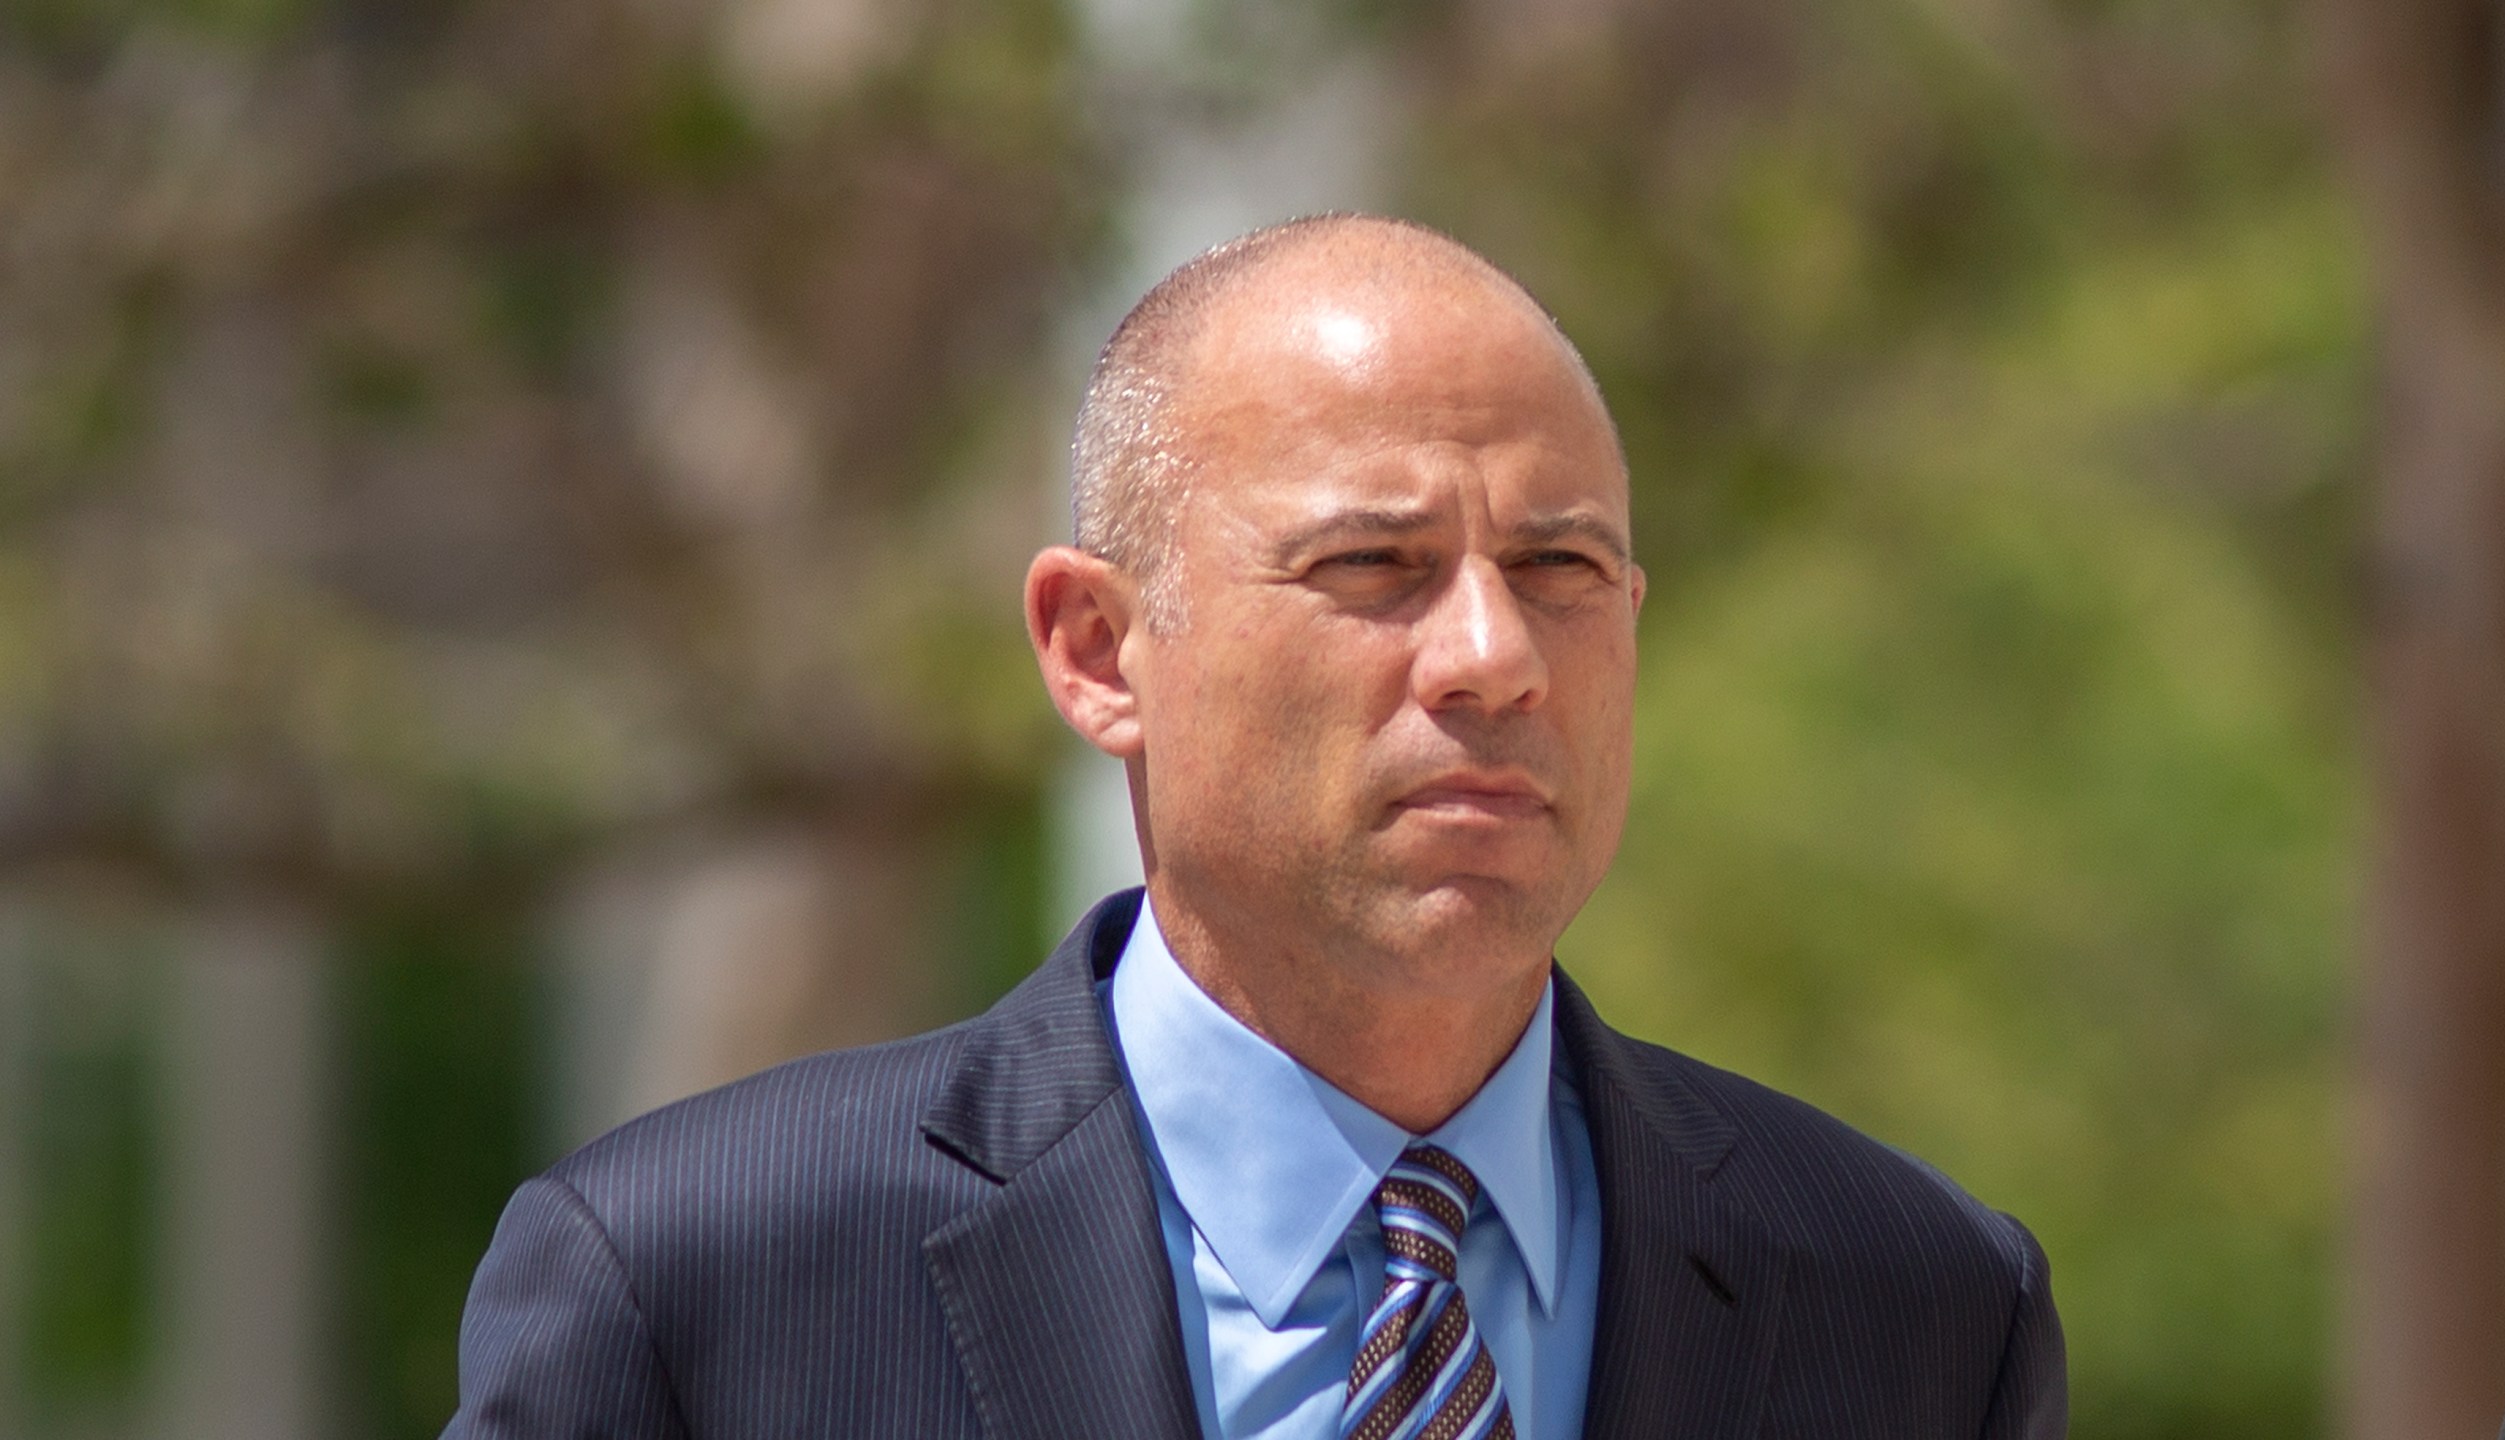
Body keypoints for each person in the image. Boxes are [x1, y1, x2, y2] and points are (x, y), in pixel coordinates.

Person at [443, 214, 2066, 1439]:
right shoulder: (698, 1288)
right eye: (1374, 567)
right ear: (1097, 651)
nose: (1494, 658)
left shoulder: (1917, 1311)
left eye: (1562, 572)